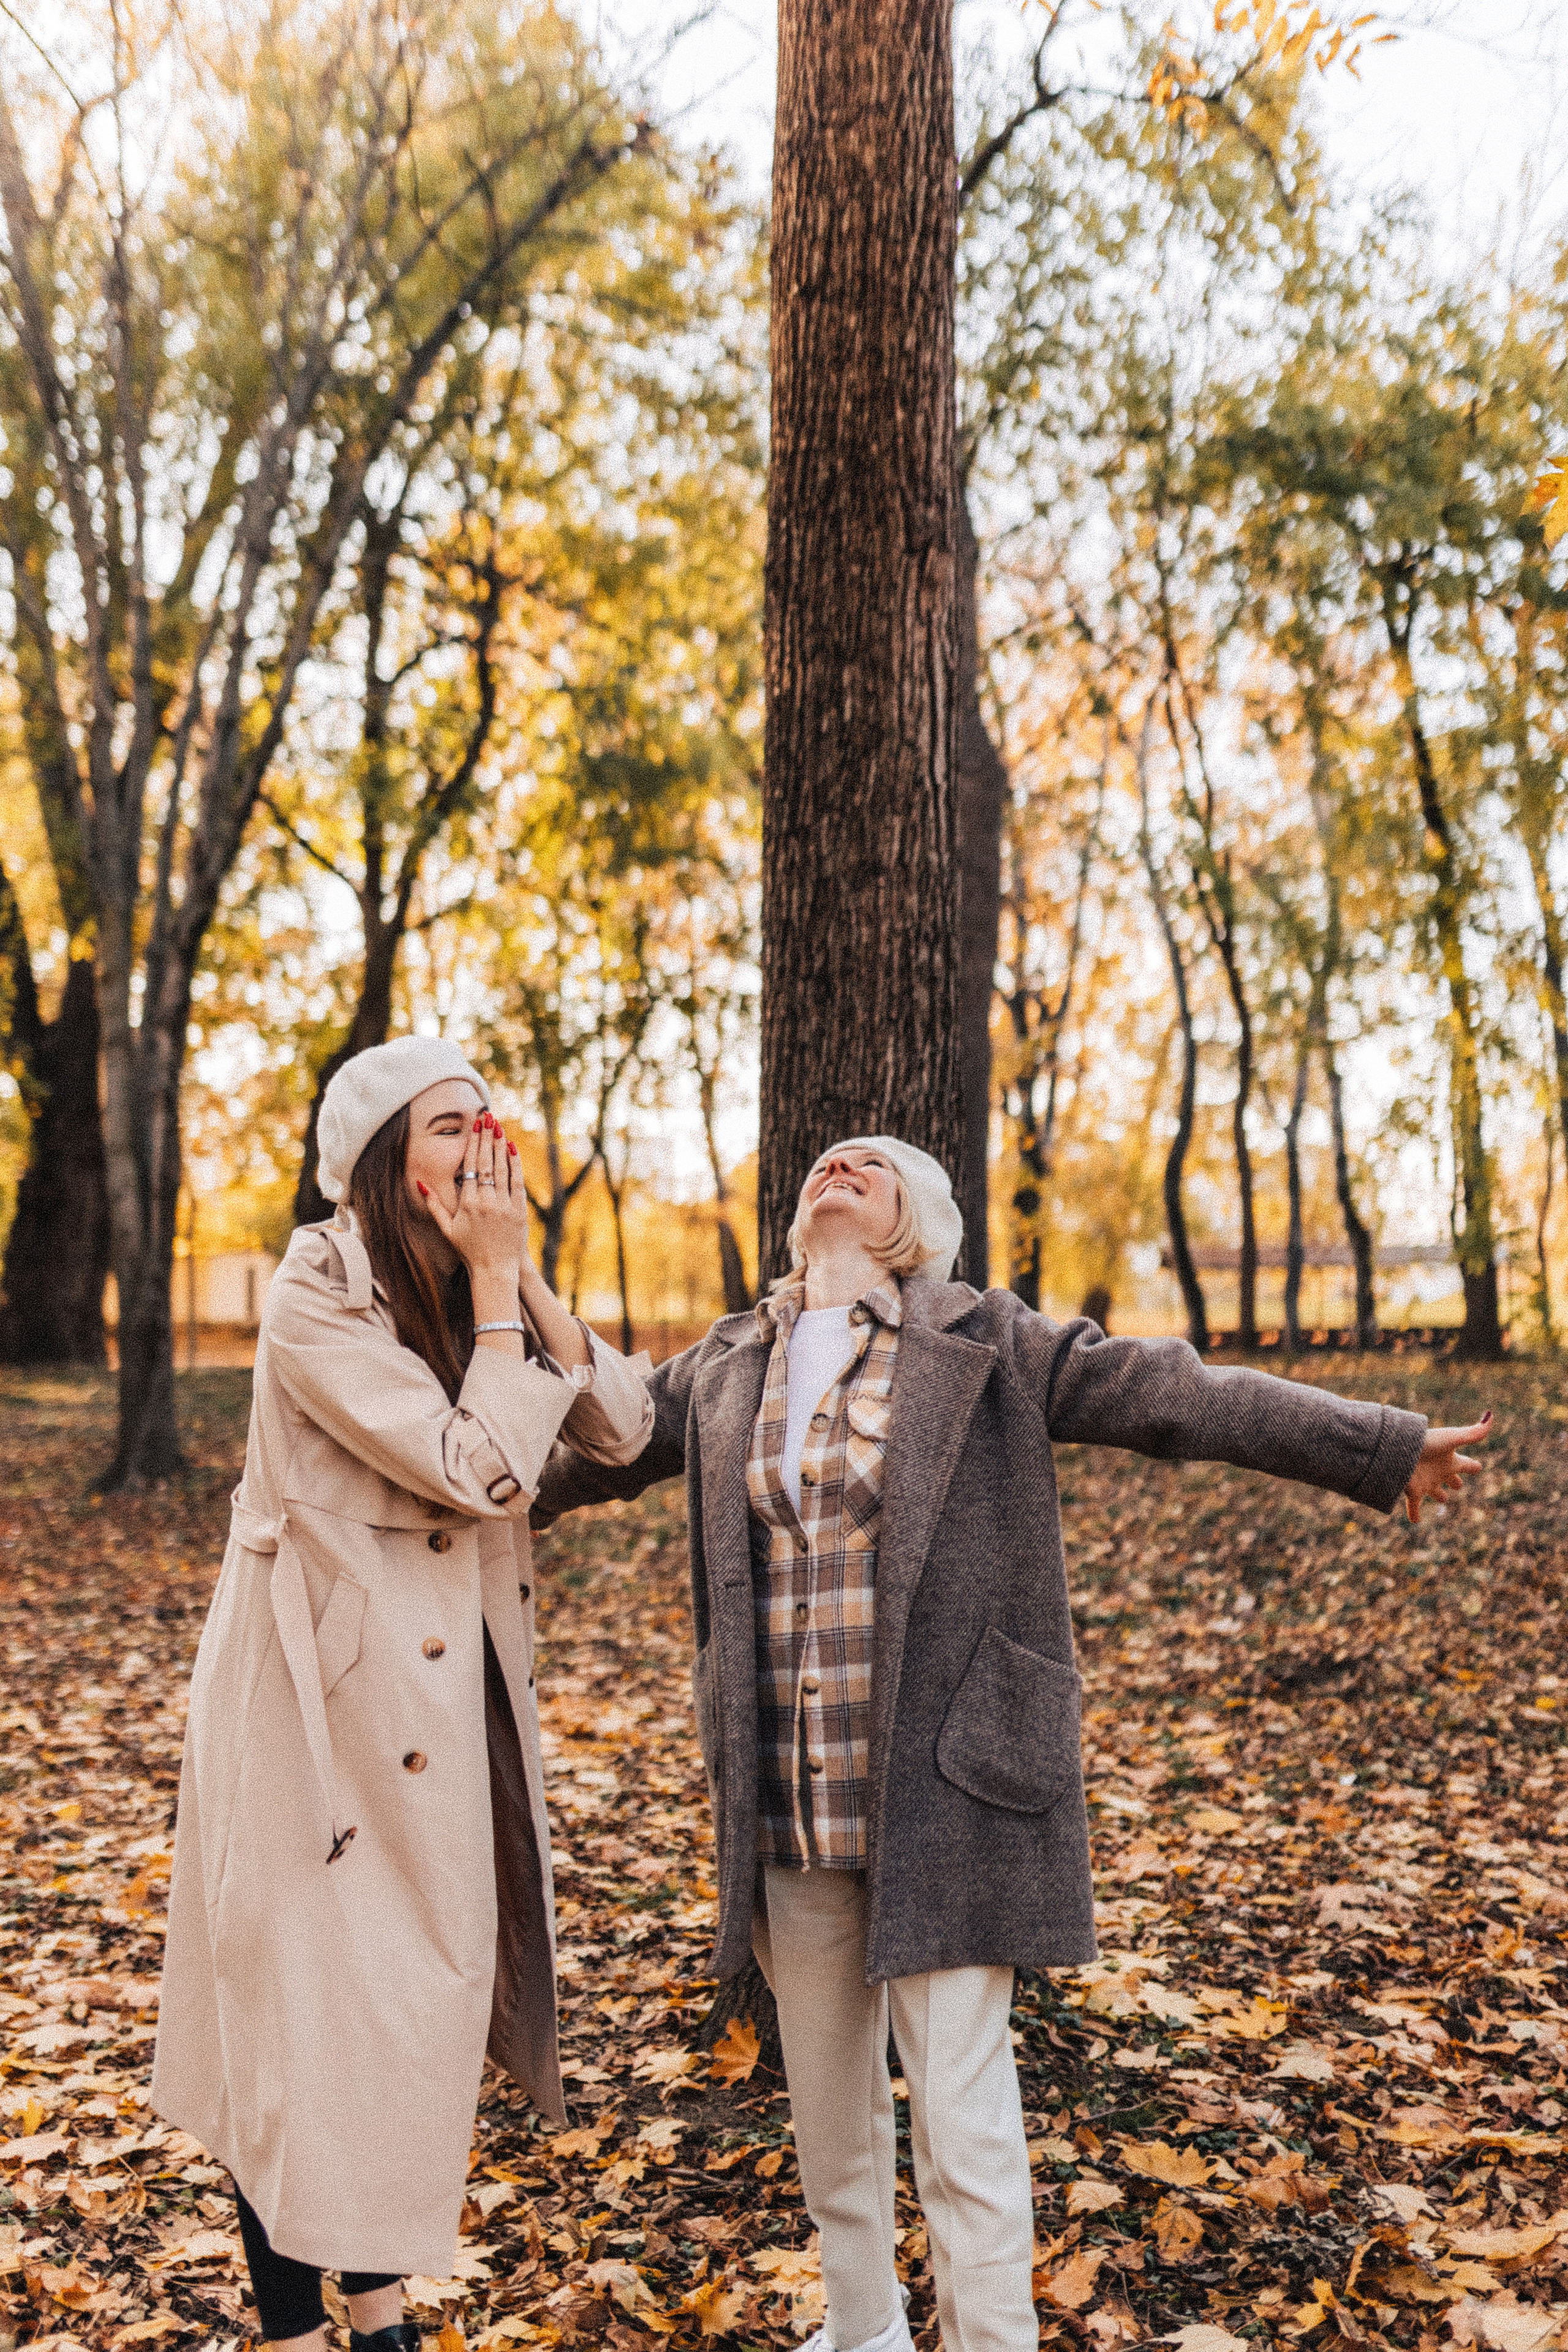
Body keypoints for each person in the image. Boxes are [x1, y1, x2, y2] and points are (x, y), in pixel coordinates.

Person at [533, 1135, 1490, 2352]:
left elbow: (1178, 1394)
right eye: (827, 1162)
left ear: (920, 1222)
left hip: (949, 1782)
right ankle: (864, 2331)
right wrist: (458, 1497)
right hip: (784, 1793)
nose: (840, 1165)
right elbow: (592, 1455)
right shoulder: (726, 1360)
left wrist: (1378, 1445)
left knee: (962, 2122)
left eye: (872, 1165)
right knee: (828, 2118)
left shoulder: (988, 1339)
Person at [152, 1038, 654, 2352]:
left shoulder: (467, 1285)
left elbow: (622, 1427)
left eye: (488, 1120)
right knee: (295, 2016)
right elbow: (477, 1467)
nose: (484, 1144)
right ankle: (301, 2328)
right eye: (448, 1125)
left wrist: (516, 1276)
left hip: (432, 1712)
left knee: (382, 2017)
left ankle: (375, 2309)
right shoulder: (314, 1288)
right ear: (384, 1161)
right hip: (308, 1704)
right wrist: (494, 1288)